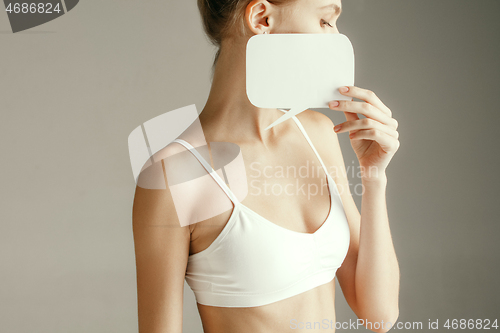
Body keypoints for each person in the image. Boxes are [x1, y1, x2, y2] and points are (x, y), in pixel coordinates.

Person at [132, 0, 400, 332]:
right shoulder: (174, 175)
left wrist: (374, 177)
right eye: (326, 21)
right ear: (262, 17)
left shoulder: (317, 134)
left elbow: (379, 315)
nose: (338, 37)